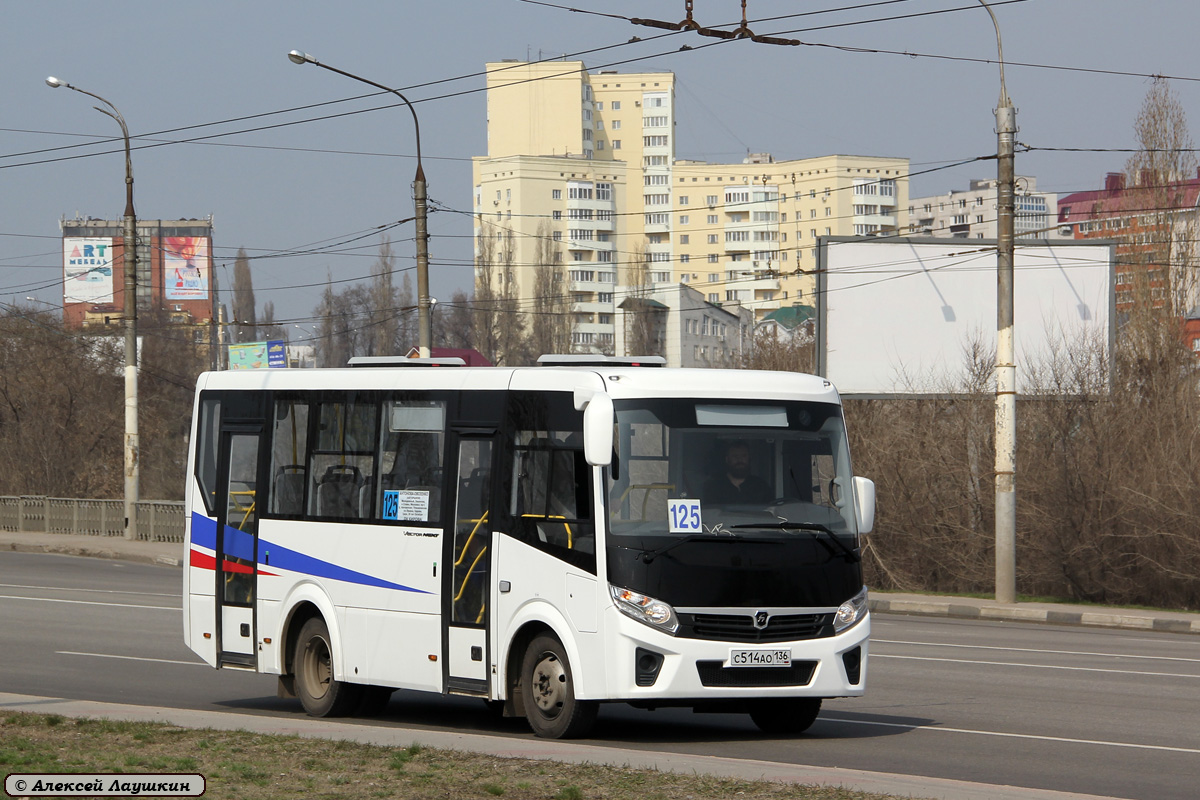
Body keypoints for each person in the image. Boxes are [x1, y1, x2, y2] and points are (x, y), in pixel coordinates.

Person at [703, 440, 772, 505]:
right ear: (727, 459)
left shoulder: (760, 486)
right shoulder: (714, 486)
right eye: (735, 456)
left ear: (749, 458)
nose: (739, 460)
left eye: (743, 456)